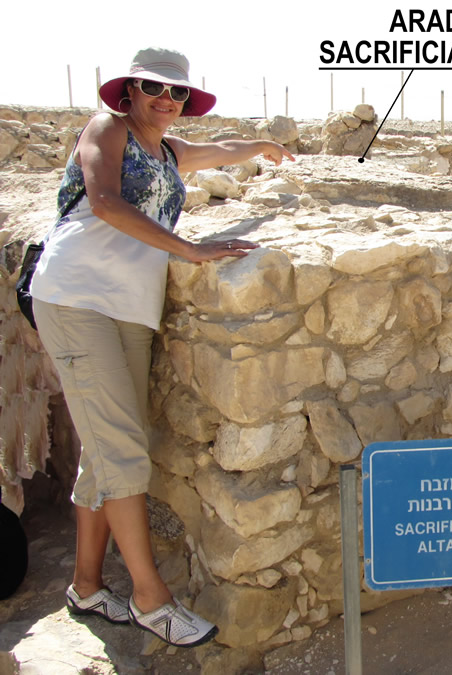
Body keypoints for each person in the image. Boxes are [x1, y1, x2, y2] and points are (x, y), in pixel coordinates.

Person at [28, 47, 295, 648]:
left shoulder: (168, 151)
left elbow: (218, 154)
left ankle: (87, 587)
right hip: (77, 299)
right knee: (123, 451)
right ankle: (152, 599)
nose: (166, 101)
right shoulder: (109, 129)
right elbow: (102, 201)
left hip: (129, 309)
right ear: (130, 90)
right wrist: (191, 249)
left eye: (176, 94)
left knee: (106, 451)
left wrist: (260, 147)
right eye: (155, 89)